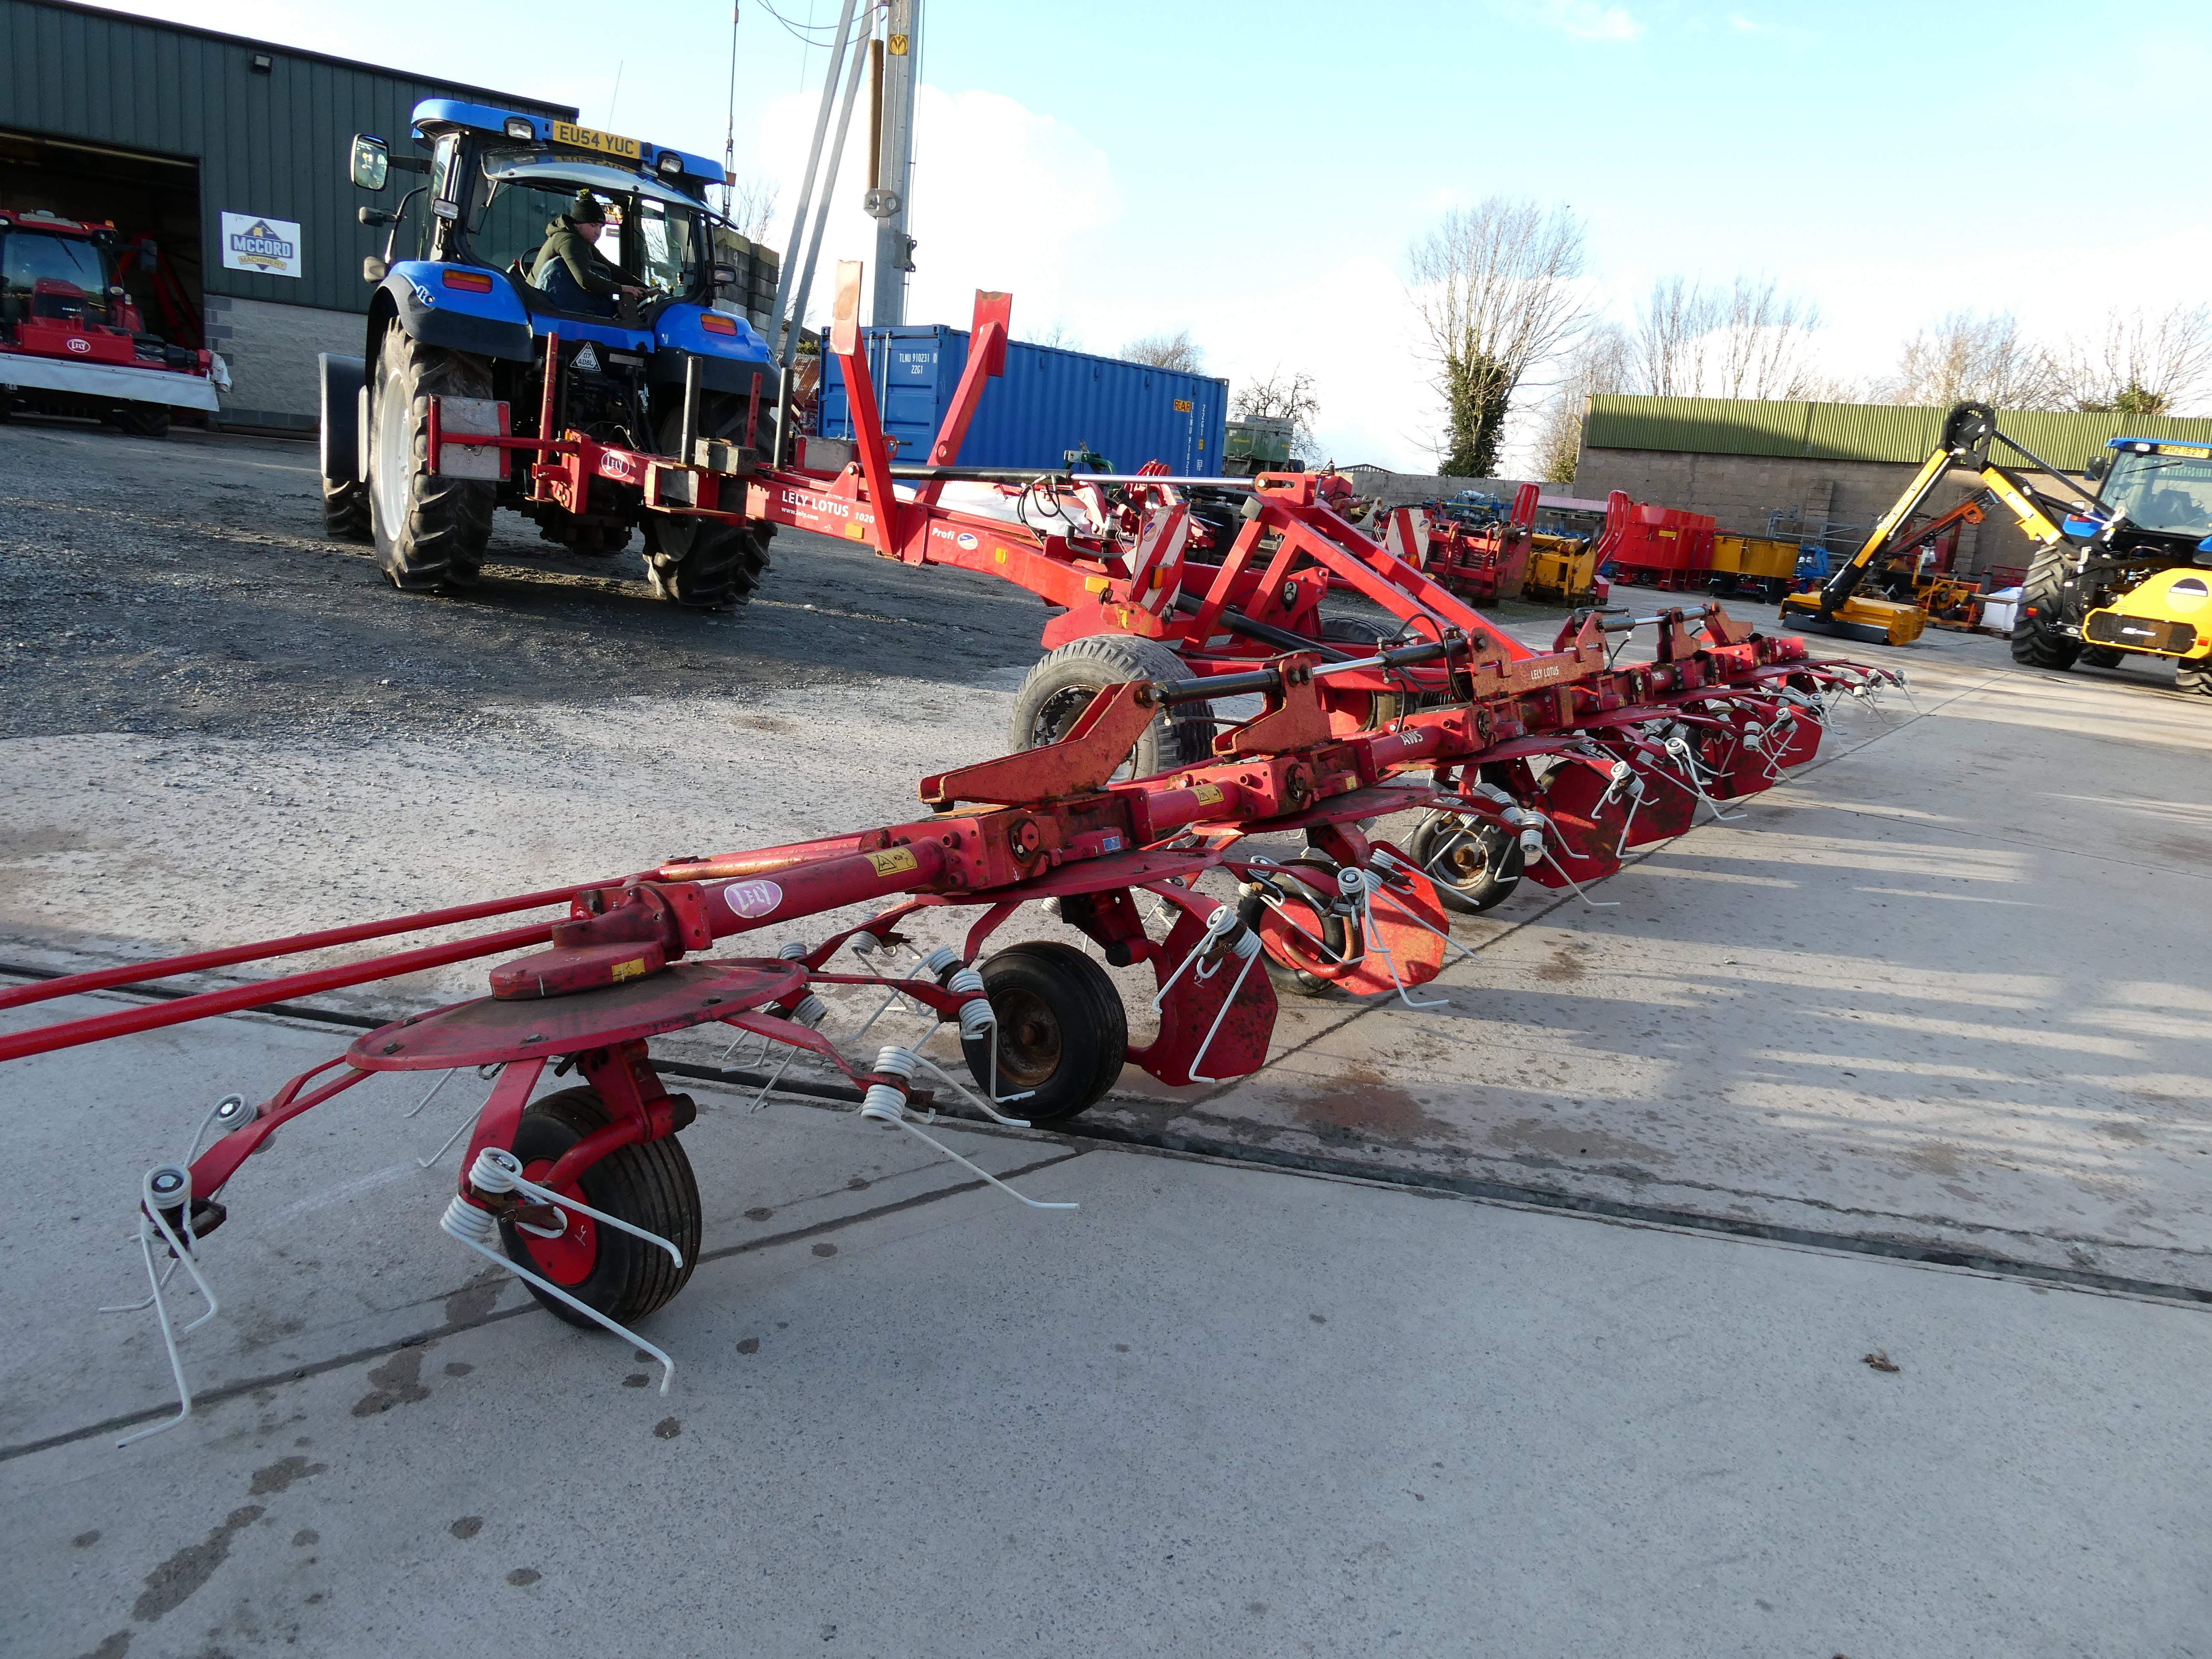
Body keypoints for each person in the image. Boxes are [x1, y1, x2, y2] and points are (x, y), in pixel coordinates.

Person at [530, 192, 641, 316]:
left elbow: (610, 268)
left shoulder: (583, 241)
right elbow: (585, 279)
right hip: (540, 308)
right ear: (577, 223)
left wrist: (645, 289)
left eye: (600, 227)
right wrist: (622, 289)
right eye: (593, 226)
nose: (597, 232)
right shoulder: (569, 240)